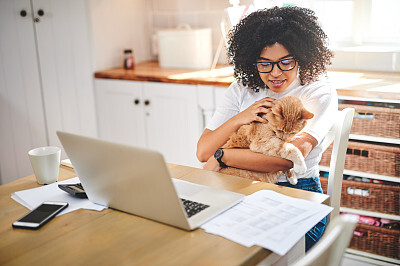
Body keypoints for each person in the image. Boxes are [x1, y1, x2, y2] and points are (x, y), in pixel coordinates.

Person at [196, 6, 337, 251]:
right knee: (203, 241)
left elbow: (289, 159)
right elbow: (201, 152)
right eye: (265, 64)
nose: (275, 73)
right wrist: (242, 116)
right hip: (238, 185)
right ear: (253, 62)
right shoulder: (243, 88)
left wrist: (222, 156)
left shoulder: (317, 92)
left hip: (296, 191)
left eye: (285, 62)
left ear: (301, 57)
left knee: (248, 252)